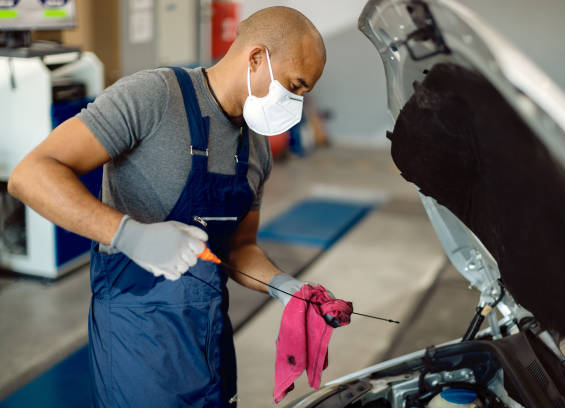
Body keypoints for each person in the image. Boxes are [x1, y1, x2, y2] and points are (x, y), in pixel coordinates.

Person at [8, 6, 328, 407]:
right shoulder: (155, 96)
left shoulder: (256, 145)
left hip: (210, 341)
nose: (295, 103)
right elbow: (31, 174)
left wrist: (285, 288)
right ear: (256, 57)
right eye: (295, 86)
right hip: (137, 341)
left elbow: (240, 248)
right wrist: (129, 234)